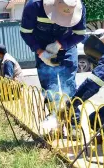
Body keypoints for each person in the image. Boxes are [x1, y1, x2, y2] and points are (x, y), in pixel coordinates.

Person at [20, 0, 86, 138]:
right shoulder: (34, 6)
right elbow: (26, 33)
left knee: (69, 86)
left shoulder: (77, 5)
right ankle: (54, 125)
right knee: (49, 87)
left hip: (67, 48)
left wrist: (60, 44)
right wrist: (40, 52)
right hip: (43, 49)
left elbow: (80, 34)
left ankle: (74, 125)